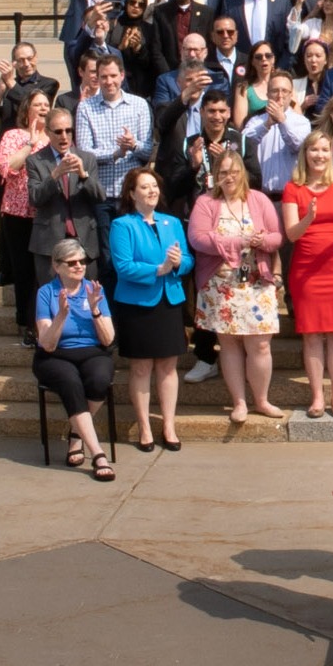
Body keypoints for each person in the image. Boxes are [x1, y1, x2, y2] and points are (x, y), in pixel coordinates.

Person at [188, 144, 286, 430]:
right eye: (222, 173)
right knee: (229, 344)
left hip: (256, 282)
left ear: (242, 173)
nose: (228, 177)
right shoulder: (206, 203)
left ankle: (262, 399)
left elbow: (277, 237)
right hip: (222, 284)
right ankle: (239, 402)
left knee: (261, 344)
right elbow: (198, 239)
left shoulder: (258, 200)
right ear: (215, 176)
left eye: (233, 172)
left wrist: (260, 241)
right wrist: (237, 242)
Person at [106, 165, 192, 454]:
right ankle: (144, 426)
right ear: (132, 193)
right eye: (145, 187)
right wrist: (159, 269)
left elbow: (189, 259)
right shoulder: (123, 225)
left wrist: (178, 264)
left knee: (168, 366)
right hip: (138, 305)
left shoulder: (172, 222)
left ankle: (168, 425)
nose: (152, 191)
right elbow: (123, 266)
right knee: (141, 367)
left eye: (154, 186)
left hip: (169, 301)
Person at [282, 114, 333, 418]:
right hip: (306, 267)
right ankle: (317, 396)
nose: (319, 155)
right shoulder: (294, 188)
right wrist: (308, 219)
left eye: (325, 150)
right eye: (314, 150)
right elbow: (291, 233)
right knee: (312, 334)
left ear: (331, 155)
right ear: (306, 154)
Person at [32, 232, 119, 477]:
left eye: (82, 261)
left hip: (92, 351)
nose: (79, 266)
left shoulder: (94, 289)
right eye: (72, 262)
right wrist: (61, 315)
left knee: (100, 379)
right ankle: (98, 454)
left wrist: (95, 310)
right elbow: (47, 344)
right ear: (56, 266)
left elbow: (108, 339)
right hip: (56, 355)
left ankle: (76, 433)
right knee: (70, 382)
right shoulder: (46, 293)